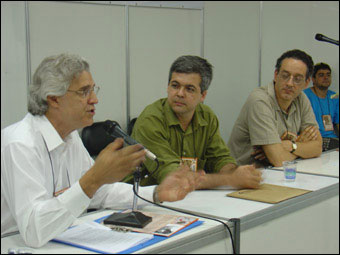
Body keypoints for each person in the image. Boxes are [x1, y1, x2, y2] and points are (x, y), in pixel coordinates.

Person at [1, 53, 199, 248]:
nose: (94, 99)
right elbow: (33, 231)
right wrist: (94, 178)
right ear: (54, 99)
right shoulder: (20, 144)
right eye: (84, 92)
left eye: (93, 90)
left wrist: (156, 193)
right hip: (15, 243)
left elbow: (99, 193)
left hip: (59, 238)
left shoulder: (71, 137)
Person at [122, 55, 262, 190]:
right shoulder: (150, 120)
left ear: (203, 95)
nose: (180, 94)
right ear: (167, 87)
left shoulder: (207, 116)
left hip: (187, 198)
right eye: (175, 86)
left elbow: (219, 158)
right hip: (141, 201)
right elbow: (174, 179)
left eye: (189, 89)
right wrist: (230, 179)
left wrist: (236, 173)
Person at [227, 49, 323, 167]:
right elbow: (278, 159)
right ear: (276, 75)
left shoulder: (301, 98)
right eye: (285, 76)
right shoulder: (260, 100)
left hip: (276, 172)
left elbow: (318, 147)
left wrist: (289, 146)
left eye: (297, 79)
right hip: (243, 174)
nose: (289, 83)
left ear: (306, 82)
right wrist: (299, 146)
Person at [303, 62, 339, 151]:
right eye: (321, 75)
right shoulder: (304, 95)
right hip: (312, 140)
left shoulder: (334, 96)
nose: (326, 78)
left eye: (328, 75)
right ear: (313, 79)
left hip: (332, 139)